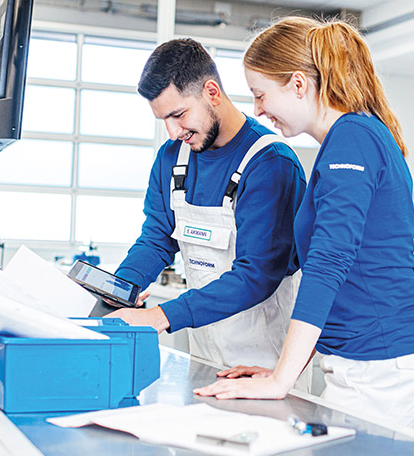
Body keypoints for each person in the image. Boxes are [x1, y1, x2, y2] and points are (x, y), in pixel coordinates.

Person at [194, 17, 414, 434]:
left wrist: (281, 380)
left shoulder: (353, 138)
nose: (257, 110)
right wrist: (281, 371)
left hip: (386, 360)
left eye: (261, 94)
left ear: (298, 84)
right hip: (381, 356)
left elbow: (330, 262)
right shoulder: (354, 136)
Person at [108, 38, 308, 377]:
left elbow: (256, 275)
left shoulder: (270, 164)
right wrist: (118, 291)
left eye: (178, 114)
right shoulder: (173, 159)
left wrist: (161, 317)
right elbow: (157, 238)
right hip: (203, 357)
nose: (172, 132)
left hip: (263, 364)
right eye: (163, 120)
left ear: (211, 92)